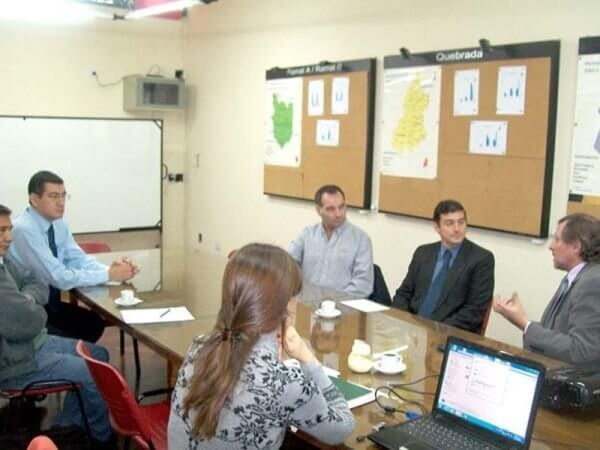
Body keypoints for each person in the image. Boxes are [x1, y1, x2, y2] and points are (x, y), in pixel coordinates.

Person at [168, 243, 354, 449]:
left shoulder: (199, 348)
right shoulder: (285, 382)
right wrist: (308, 359)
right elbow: (342, 428)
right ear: (286, 305)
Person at [0, 204, 112, 445]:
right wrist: (30, 307)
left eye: (9, 229)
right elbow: (33, 321)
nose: (9, 237)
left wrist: (26, 300)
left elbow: (36, 279)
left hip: (31, 343)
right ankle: (99, 440)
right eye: (1, 231)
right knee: (95, 373)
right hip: (15, 362)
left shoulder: (4, 261)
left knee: (99, 354)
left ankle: (69, 429)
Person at [8, 170, 138, 342]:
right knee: (85, 336)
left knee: (93, 325)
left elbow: (77, 258)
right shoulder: (24, 229)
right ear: (34, 199)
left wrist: (113, 271)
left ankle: (74, 354)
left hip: (52, 304)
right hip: (31, 310)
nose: (61, 202)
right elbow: (58, 277)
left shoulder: (58, 223)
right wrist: (108, 275)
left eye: (63, 196)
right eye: (53, 196)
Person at [494, 213, 600, 364]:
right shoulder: (575, 277)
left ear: (576, 246)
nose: (551, 246)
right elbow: (554, 332)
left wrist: (524, 324)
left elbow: (581, 350)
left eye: (557, 239)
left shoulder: (592, 282)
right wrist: (522, 319)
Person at [393, 199, 495, 333]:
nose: (457, 229)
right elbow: (403, 294)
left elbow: (474, 312)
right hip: (411, 329)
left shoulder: (481, 259)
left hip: (448, 333)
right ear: (437, 227)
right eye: (449, 223)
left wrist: (433, 330)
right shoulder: (423, 253)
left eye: (461, 222)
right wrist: (404, 322)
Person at [289, 185, 373, 298]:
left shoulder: (361, 240)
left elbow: (362, 285)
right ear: (318, 210)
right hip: (306, 302)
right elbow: (288, 266)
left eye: (341, 207)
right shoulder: (307, 234)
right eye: (331, 209)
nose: (338, 214)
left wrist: (332, 302)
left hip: (342, 305)